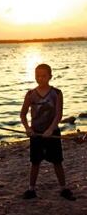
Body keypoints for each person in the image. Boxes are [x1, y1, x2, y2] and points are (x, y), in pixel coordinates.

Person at [20, 63, 75, 201]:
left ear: (50, 76)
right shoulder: (30, 94)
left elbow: (58, 115)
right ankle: (31, 189)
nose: (40, 78)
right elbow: (23, 114)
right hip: (36, 133)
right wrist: (28, 128)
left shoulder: (56, 93)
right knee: (35, 162)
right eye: (38, 75)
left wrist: (51, 129)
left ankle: (63, 189)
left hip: (53, 132)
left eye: (44, 76)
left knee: (57, 161)